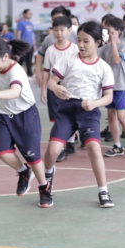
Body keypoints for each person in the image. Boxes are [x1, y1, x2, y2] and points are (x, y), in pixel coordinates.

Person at [44, 21, 115, 208]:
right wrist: (56, 87)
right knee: (52, 151)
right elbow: (51, 82)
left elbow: (108, 97)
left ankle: (103, 191)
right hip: (66, 109)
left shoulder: (104, 68)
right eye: (79, 41)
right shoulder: (68, 59)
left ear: (98, 42)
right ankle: (47, 180)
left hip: (89, 111)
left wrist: (94, 103)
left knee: (94, 148)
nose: (81, 45)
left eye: (86, 41)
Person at [0, 37, 53, 206]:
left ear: (5, 56)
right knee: (1, 150)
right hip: (3, 115)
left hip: (24, 115)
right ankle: (24, 172)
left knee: (33, 157)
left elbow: (15, 92)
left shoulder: (15, 71)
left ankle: (44, 188)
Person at [100, 17, 125, 158]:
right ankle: (117, 146)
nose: (106, 32)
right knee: (111, 116)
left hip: (122, 86)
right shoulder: (104, 48)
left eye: (109, 30)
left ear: (117, 32)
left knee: (122, 116)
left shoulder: (124, 46)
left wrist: (113, 43)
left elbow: (116, 60)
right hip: (109, 87)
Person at [42, 16, 79, 162]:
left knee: (70, 116)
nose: (58, 33)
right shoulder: (50, 50)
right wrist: (43, 89)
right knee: (57, 118)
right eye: (55, 30)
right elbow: (46, 71)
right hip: (54, 89)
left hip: (70, 89)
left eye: (62, 30)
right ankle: (61, 148)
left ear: (69, 30)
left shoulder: (75, 48)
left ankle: (70, 142)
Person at [16, 9, 36, 77]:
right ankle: (17, 73)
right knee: (21, 60)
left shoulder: (31, 24)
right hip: (23, 45)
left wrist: (34, 44)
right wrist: (19, 44)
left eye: (31, 13)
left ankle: (29, 74)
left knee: (29, 60)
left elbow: (32, 34)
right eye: (29, 13)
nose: (30, 15)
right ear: (25, 14)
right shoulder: (21, 23)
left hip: (30, 45)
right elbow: (19, 33)